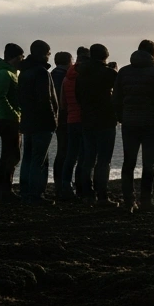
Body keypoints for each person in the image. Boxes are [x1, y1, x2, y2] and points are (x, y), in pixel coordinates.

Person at [114, 39, 154, 212]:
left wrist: (122, 117)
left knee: (128, 162)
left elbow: (116, 98)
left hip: (130, 122)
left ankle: (129, 201)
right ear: (153, 53)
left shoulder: (123, 72)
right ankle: (146, 201)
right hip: (151, 124)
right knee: (149, 163)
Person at [75, 43, 119, 207]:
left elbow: (78, 97)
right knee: (103, 161)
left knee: (88, 159)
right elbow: (118, 94)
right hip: (106, 120)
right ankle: (102, 196)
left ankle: (87, 194)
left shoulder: (81, 74)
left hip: (87, 120)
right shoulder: (108, 73)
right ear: (105, 56)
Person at [17, 40, 59, 206]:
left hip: (28, 120)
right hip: (42, 122)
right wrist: (53, 120)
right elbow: (45, 99)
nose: (49, 55)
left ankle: (25, 192)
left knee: (28, 157)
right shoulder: (41, 72)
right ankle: (36, 194)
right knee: (39, 159)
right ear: (43, 53)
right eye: (48, 52)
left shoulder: (25, 72)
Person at [0, 43, 24, 204]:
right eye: (21, 57)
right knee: (10, 156)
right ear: (16, 57)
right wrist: (15, 114)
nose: (23, 60)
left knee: (10, 156)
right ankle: (5, 191)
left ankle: (2, 192)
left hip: (8, 119)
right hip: (7, 120)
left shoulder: (11, 74)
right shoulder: (4, 74)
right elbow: (0, 98)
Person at [60, 47, 88, 200]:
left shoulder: (66, 78)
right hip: (84, 120)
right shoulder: (85, 78)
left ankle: (65, 185)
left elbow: (63, 103)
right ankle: (80, 187)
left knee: (70, 155)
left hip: (71, 119)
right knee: (84, 156)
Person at [50, 50, 72, 201]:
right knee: (67, 152)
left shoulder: (50, 75)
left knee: (61, 151)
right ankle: (63, 186)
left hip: (56, 119)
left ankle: (58, 185)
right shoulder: (66, 77)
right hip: (66, 118)